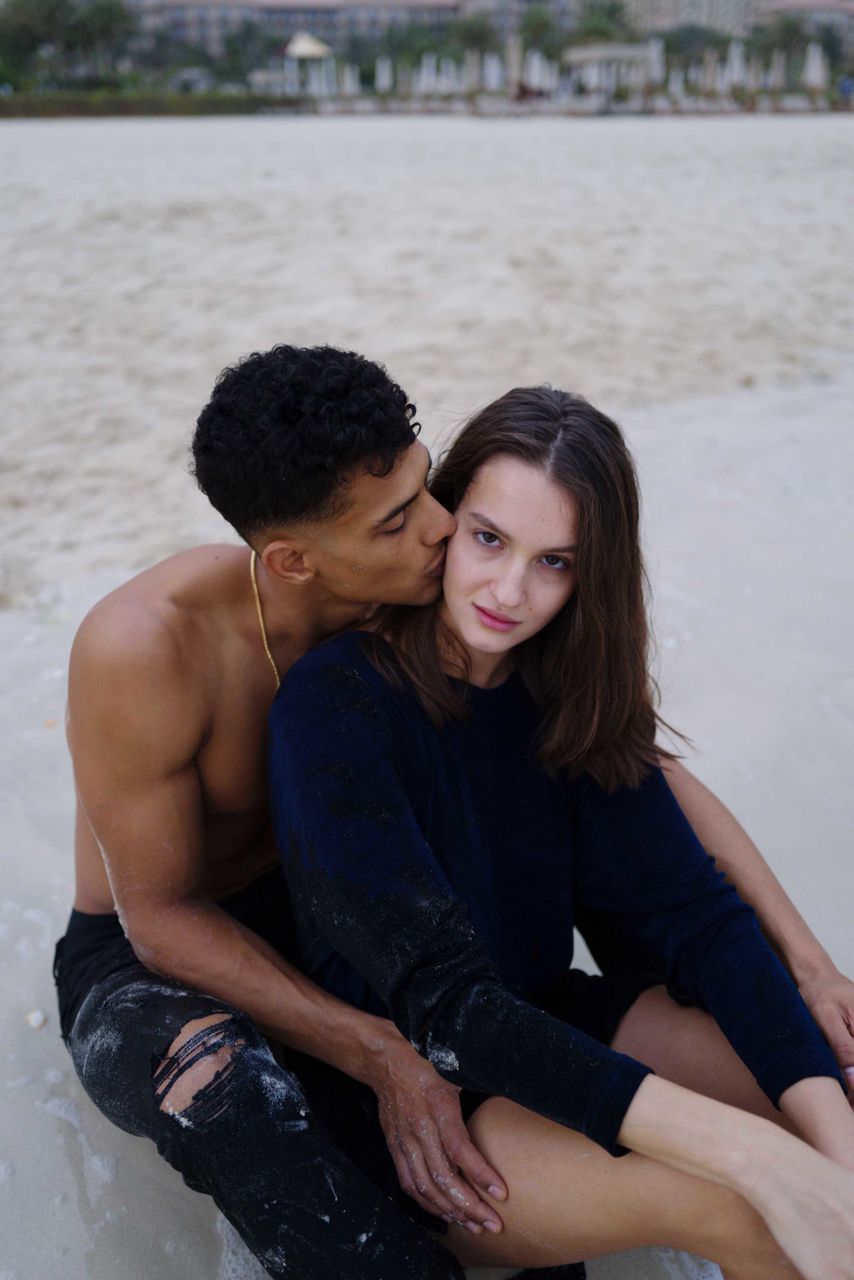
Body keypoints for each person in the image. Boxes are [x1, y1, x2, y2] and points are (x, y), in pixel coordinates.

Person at [56, 346, 854, 1279]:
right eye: (406, 519)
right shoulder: (156, 646)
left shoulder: (432, 590)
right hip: (163, 940)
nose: (441, 527)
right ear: (294, 561)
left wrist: (804, 958)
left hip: (355, 917)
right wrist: (384, 1054)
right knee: (239, 1097)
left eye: (432, 489)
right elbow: (160, 916)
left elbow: (635, 766)